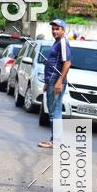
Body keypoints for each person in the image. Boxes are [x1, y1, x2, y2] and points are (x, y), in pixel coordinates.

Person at [38, 19, 71, 149]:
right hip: (51, 81)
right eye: (53, 29)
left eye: (57, 29)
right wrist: (47, 82)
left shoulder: (63, 42)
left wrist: (59, 81)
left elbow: (67, 63)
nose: (54, 31)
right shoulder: (57, 42)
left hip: (56, 81)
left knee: (55, 112)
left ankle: (56, 141)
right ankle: (54, 139)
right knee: (53, 111)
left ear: (63, 30)